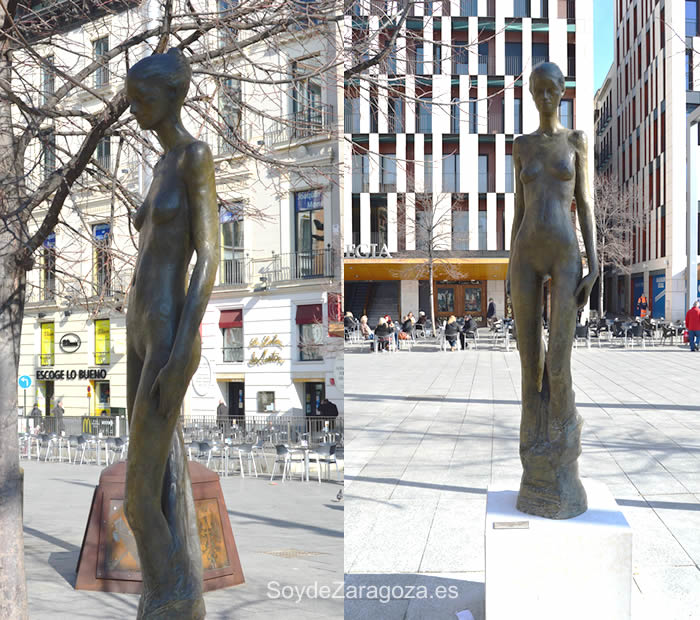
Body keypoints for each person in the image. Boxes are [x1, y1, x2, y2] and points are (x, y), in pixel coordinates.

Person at [124, 48, 216, 618]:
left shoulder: (193, 157)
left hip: (165, 327)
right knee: (166, 476)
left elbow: (209, 254)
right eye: (131, 97)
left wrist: (183, 346)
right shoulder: (159, 166)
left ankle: (170, 599)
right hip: (138, 322)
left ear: (174, 97)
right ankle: (181, 587)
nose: (135, 108)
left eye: (144, 98)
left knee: (137, 497)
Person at [508, 62, 598, 519]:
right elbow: (517, 211)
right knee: (530, 367)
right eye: (537, 90)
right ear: (531, 94)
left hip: (565, 257)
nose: (545, 97)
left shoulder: (577, 140)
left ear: (563, 92)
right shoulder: (520, 146)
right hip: (525, 256)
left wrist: (595, 264)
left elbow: (585, 204)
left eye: (552, 90)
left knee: (558, 366)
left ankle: (563, 451)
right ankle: (535, 461)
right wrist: (509, 266)